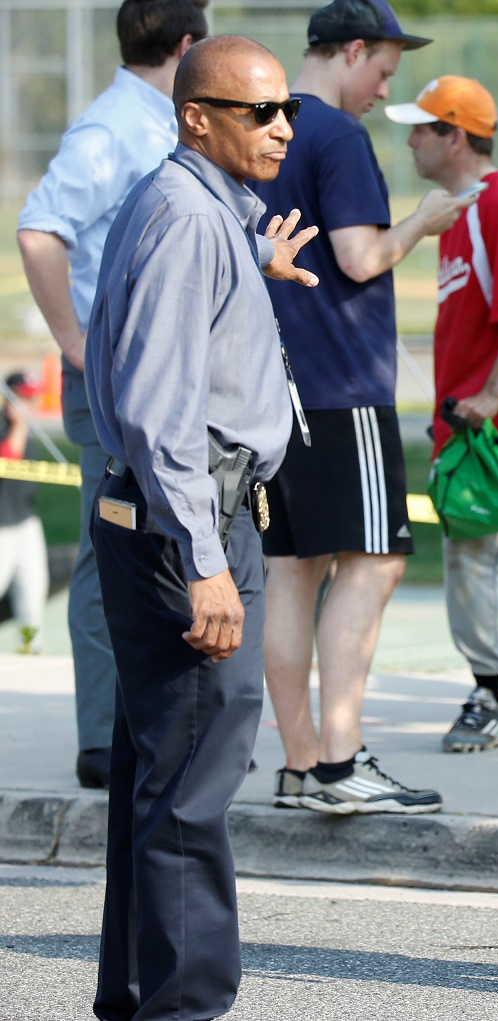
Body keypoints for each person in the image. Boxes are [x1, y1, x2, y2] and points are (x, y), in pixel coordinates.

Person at [83, 34, 317, 1020]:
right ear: (195, 117)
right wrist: (206, 564)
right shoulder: (187, 219)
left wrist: (249, 260)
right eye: (257, 111)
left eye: (286, 108)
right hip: (191, 528)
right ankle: (182, 1007)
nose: (282, 127)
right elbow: (161, 409)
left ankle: (139, 997)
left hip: (181, 520)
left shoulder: (201, 213)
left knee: (158, 774)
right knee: (189, 790)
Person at [253, 0, 472, 814]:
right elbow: (360, 253)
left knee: (290, 571)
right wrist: (422, 219)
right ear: (350, 51)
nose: (385, 87)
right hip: (342, 386)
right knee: (374, 559)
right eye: (382, 68)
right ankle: (342, 764)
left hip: (273, 388)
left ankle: (301, 764)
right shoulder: (339, 138)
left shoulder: (267, 126)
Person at [16, 0, 210, 790]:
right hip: (116, 372)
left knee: (168, 539)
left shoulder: (158, 123)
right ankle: (106, 736)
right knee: (114, 547)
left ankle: (163, 723)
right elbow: (39, 228)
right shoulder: (113, 130)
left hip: (161, 369)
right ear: (189, 44)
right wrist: (74, 342)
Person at [386, 76, 498, 751]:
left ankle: (491, 694)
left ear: (455, 136)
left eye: (422, 129)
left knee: (476, 550)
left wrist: (487, 401)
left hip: (491, 417)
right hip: (473, 412)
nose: (410, 140)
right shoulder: (460, 209)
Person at [0, 373, 49, 651]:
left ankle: (30, 647)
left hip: (27, 524)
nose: (29, 404)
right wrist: (17, 427)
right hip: (2, 527)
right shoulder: (6, 426)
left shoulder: (29, 429)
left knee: (32, 592)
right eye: (24, 397)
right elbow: (8, 460)